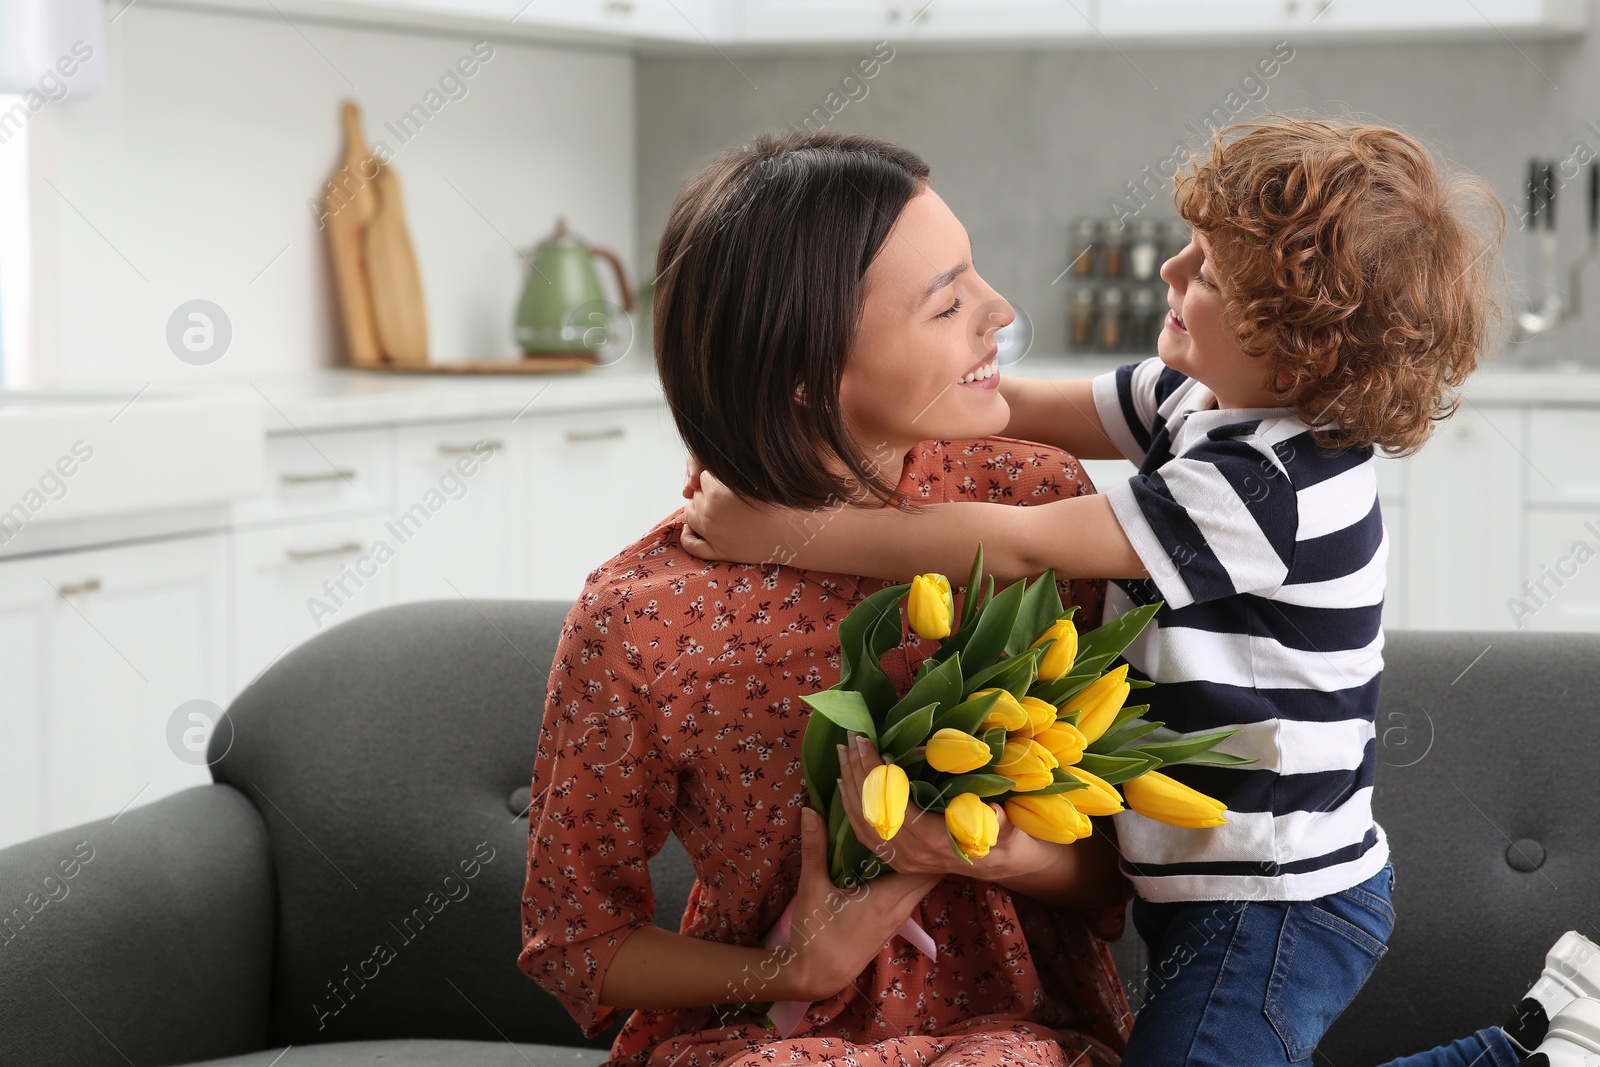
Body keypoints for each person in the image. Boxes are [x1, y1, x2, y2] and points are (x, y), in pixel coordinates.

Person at [680, 116, 1505, 1066]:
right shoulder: (1205, 399)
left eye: (1209, 276)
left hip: (1279, 897)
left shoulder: (1268, 489)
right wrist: (812, 424)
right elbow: (1013, 407)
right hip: (1208, 883)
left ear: (1301, 351)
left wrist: (783, 531)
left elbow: (1025, 547)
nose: (1170, 274)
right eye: (1191, 247)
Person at [518, 129, 1136, 1067]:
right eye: (947, 303)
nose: (1000, 312)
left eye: (978, 279)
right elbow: (576, 947)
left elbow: (1120, 870)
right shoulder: (642, 619)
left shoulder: (1039, 508)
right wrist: (794, 969)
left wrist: (1001, 855)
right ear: (804, 374)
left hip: (1013, 1034)